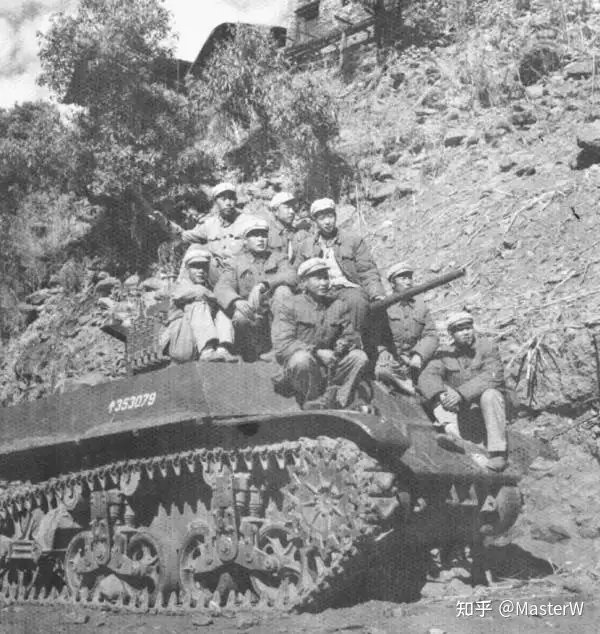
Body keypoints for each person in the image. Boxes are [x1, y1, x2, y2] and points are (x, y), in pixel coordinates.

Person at [272, 257, 369, 410]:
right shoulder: (289, 305)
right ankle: (313, 401)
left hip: (330, 366)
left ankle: (340, 401)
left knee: (359, 357)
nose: (324, 283)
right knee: (300, 359)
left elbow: (352, 336)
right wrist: (317, 352)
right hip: (300, 372)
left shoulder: (338, 306)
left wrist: (344, 344)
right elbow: (282, 345)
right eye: (318, 279)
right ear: (303, 282)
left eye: (326, 278)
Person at [418, 311, 509, 472]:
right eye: (460, 329)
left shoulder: (487, 346)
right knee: (437, 392)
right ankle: (456, 437)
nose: (466, 332)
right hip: (465, 411)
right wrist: (441, 394)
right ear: (452, 334)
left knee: (490, 395)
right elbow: (427, 376)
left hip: (488, 408)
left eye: (468, 327)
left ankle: (497, 453)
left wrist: (460, 394)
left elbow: (493, 376)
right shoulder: (445, 353)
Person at [295, 198, 385, 333]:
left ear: (336, 217)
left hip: (346, 289)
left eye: (330, 216)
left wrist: (376, 293)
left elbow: (368, 271)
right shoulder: (306, 245)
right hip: (319, 292)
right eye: (321, 218)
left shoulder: (353, 240)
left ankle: (355, 342)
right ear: (315, 222)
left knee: (357, 301)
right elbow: (297, 273)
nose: (327, 222)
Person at [214, 217, 297, 361]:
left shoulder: (278, 257)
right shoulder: (236, 262)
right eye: (255, 235)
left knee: (283, 290)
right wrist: (236, 301)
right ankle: (249, 352)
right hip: (251, 314)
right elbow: (222, 287)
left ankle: (280, 348)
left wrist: (265, 284)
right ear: (245, 240)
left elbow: (292, 276)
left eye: (263, 235)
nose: (260, 239)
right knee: (239, 317)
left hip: (274, 314)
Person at [161, 245, 238, 363]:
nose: (200, 271)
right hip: (181, 342)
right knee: (199, 304)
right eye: (195, 267)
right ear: (187, 269)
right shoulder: (180, 286)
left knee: (222, 310)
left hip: (196, 341)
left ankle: (223, 349)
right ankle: (207, 350)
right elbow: (195, 292)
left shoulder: (207, 286)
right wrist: (214, 296)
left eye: (203, 267)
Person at [150, 182, 248, 270]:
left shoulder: (248, 222)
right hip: (217, 273)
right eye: (223, 199)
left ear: (236, 200)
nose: (228, 203)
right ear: (216, 202)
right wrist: (164, 222)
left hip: (242, 271)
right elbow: (183, 236)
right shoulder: (209, 225)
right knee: (194, 250)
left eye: (231, 199)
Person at [375, 262, 439, 395]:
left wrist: (419, 355)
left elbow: (431, 335)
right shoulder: (384, 306)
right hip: (393, 361)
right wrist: (383, 353)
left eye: (409, 278)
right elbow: (375, 336)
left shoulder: (420, 306)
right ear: (393, 283)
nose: (408, 282)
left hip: (414, 362)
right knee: (381, 371)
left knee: (431, 381)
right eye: (403, 278)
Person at [265, 191, 310, 262]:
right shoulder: (266, 234)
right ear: (275, 211)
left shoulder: (298, 233)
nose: (292, 211)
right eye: (287, 207)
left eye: (293, 208)